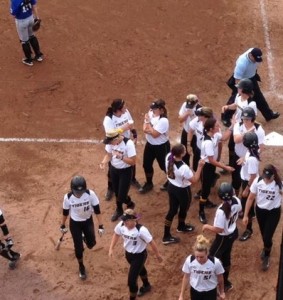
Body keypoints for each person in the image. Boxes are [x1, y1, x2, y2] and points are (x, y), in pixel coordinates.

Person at [109, 209, 163, 300]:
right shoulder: (121, 225)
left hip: (140, 256)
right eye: (124, 220)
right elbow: (116, 234)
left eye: (126, 220)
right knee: (140, 269)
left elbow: (151, 242)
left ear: (133, 220)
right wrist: (111, 248)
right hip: (128, 255)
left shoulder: (141, 230)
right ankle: (146, 285)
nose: (124, 222)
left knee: (131, 281)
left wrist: (158, 255)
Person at [60, 175, 105, 280]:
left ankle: (85, 237)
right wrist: (62, 224)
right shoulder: (68, 197)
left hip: (88, 221)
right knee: (78, 248)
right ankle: (81, 266)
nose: (79, 194)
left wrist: (101, 225)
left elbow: (97, 210)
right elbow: (65, 212)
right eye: (77, 192)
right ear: (72, 189)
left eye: (81, 192)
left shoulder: (90, 194)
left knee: (91, 244)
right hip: (75, 223)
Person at [222, 47, 279, 124]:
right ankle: (225, 117)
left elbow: (255, 67)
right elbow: (237, 80)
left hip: (251, 78)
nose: (256, 61)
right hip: (241, 81)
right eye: (255, 59)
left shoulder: (256, 55)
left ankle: (268, 115)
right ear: (251, 55)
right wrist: (240, 91)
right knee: (235, 98)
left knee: (259, 97)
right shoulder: (242, 63)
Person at [203, 182, 242, 293]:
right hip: (233, 233)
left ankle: (212, 285)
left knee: (210, 259)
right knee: (226, 257)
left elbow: (218, 230)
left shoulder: (221, 211)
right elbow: (240, 213)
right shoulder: (237, 201)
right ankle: (226, 283)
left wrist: (207, 226)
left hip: (223, 238)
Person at [162, 143, 205, 245]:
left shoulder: (168, 156)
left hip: (171, 187)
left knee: (172, 210)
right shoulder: (183, 168)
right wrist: (199, 167)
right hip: (182, 190)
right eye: (184, 150)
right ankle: (180, 227)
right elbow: (194, 180)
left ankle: (167, 234)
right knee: (183, 208)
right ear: (182, 154)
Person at [243, 164, 282, 271]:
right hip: (260, 211)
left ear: (274, 176)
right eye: (265, 176)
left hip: (273, 212)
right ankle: (266, 247)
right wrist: (246, 215)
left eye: (269, 178)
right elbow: (250, 198)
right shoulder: (258, 181)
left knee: (267, 236)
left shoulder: (279, 185)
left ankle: (267, 255)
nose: (266, 179)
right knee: (264, 233)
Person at [103, 99, 140, 201]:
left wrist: (135, 135)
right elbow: (110, 134)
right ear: (118, 110)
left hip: (127, 143)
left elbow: (131, 125)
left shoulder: (126, 112)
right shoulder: (109, 119)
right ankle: (110, 188)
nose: (126, 108)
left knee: (131, 162)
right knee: (112, 167)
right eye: (124, 107)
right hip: (114, 144)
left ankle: (132, 180)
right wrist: (123, 128)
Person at [198, 118, 235, 224]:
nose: (219, 126)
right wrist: (225, 167)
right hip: (206, 167)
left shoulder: (214, 135)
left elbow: (223, 138)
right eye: (216, 126)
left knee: (208, 186)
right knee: (205, 190)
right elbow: (211, 160)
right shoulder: (208, 142)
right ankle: (201, 211)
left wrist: (232, 126)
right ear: (211, 129)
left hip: (210, 166)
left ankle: (206, 202)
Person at [100, 129, 136, 221]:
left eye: (111, 142)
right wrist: (103, 162)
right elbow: (108, 155)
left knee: (122, 195)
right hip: (114, 170)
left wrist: (121, 157)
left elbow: (133, 162)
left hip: (126, 171)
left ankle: (130, 203)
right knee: (116, 192)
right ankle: (119, 209)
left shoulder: (128, 144)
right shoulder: (110, 143)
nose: (110, 144)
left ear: (116, 139)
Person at [178, 234, 225, 300]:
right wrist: (181, 295)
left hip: (210, 291)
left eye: (202, 257)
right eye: (197, 256)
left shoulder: (215, 262)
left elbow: (220, 278)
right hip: (195, 291)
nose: (199, 259)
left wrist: (222, 292)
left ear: (207, 253)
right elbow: (186, 277)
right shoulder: (190, 260)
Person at [231, 106, 265, 196]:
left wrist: (246, 156)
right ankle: (236, 195)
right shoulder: (238, 125)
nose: (245, 121)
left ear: (253, 119)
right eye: (244, 119)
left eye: (247, 119)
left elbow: (261, 147)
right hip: (237, 156)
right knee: (235, 178)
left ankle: (245, 195)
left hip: (249, 159)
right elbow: (236, 140)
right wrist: (248, 132)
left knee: (247, 177)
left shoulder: (259, 130)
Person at [138, 99, 170, 193]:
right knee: (146, 165)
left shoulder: (164, 120)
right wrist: (149, 128)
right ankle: (149, 183)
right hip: (150, 145)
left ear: (161, 109)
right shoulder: (151, 113)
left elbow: (155, 134)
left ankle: (171, 181)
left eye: (154, 109)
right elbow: (145, 129)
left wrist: (148, 124)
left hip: (161, 146)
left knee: (165, 166)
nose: (152, 110)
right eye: (152, 108)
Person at [238, 132, 260, 242]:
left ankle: (249, 229)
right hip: (247, 181)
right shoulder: (252, 150)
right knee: (245, 203)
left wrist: (247, 189)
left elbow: (253, 176)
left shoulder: (252, 159)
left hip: (249, 183)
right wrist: (243, 159)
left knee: (247, 204)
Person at [10, 0, 43, 66]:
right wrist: (37, 17)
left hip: (21, 22)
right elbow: (34, 6)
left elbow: (13, 14)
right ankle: (38, 55)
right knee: (32, 36)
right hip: (31, 18)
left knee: (24, 41)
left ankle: (28, 60)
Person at [178, 94, 201, 166]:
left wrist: (193, 115)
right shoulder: (185, 105)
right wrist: (187, 113)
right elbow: (180, 120)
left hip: (196, 135)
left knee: (197, 155)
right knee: (184, 153)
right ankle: (186, 170)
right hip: (186, 132)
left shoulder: (200, 110)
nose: (189, 107)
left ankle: (197, 172)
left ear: (197, 102)